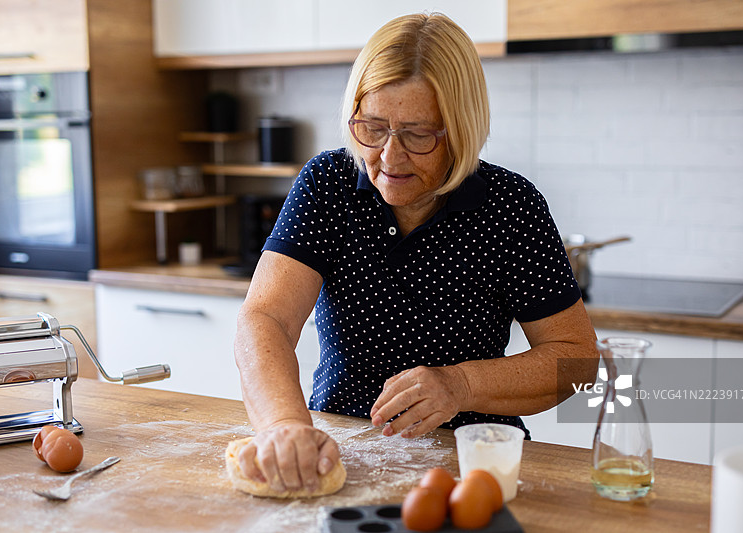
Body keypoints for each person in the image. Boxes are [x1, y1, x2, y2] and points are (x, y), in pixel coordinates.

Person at [233, 12, 598, 494]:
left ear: (461, 128)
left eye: (419, 134)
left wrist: (461, 385)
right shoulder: (328, 185)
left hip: (476, 466)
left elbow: (576, 361)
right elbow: (265, 320)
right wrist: (284, 425)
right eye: (373, 127)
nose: (389, 156)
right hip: (340, 453)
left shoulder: (510, 206)